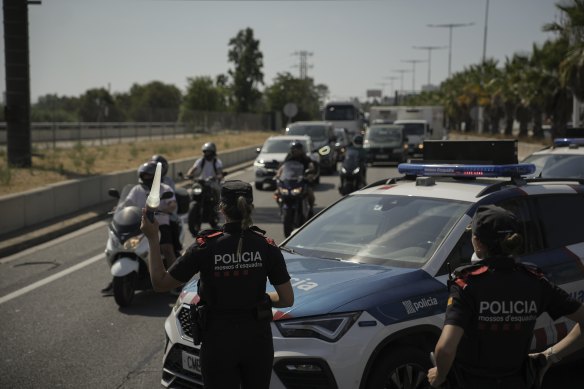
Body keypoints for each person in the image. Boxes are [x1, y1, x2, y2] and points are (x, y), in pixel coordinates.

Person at [140, 180, 294, 389]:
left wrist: (152, 238)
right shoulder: (267, 246)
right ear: (251, 207)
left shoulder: (205, 246)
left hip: (218, 342)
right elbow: (286, 299)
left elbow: (160, 283)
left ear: (222, 208)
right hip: (258, 341)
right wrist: (262, 300)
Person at [427, 204, 584, 389]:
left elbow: (445, 349)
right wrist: (550, 355)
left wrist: (439, 375)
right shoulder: (535, 282)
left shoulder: (467, 284)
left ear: (477, 242)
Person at [274, 140, 317, 210]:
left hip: (301, 180)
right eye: (294, 149)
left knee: (310, 194)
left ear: (301, 150)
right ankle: (281, 207)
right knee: (277, 193)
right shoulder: (288, 157)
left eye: (297, 149)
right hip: (289, 180)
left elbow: (311, 166)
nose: (295, 151)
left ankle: (311, 209)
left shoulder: (305, 158)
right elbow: (283, 167)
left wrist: (310, 172)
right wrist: (278, 174)